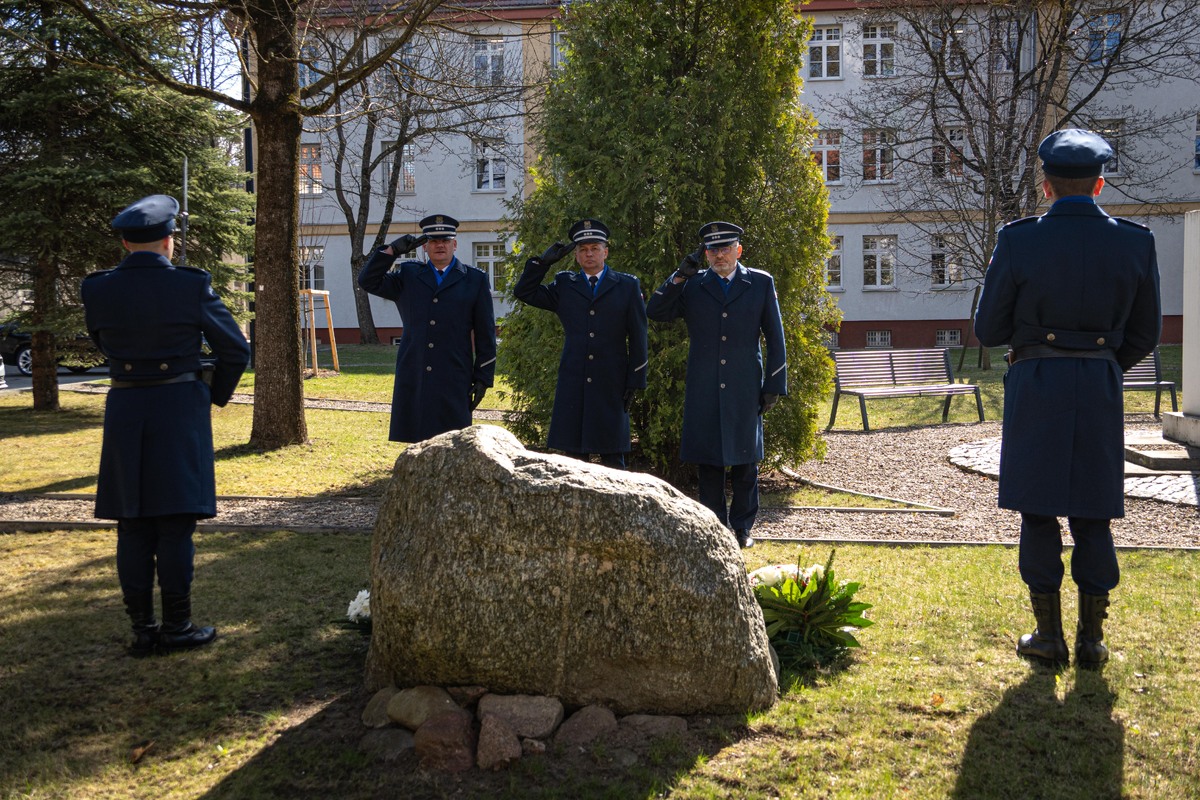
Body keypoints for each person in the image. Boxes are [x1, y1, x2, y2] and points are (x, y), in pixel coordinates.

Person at [975, 129, 1161, 669]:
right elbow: (1146, 333)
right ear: (1100, 185)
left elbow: (988, 330)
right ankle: (1092, 642)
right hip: (1099, 389)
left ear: (1046, 186)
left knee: (1038, 512)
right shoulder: (1136, 241)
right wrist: (1102, 365)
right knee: (1093, 513)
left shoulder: (1018, 239)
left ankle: (1047, 636)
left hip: (1037, 386)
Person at [81, 194, 250, 656]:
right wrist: (211, 394)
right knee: (175, 523)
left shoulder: (95, 288)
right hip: (178, 409)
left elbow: (102, 341)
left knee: (132, 524)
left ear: (123, 241)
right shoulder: (191, 286)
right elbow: (236, 350)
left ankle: (142, 629)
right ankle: (178, 626)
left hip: (126, 408)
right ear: (169, 240)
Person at [646, 221, 787, 548]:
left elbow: (776, 337)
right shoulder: (693, 285)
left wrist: (774, 384)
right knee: (709, 461)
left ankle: (742, 528)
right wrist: (679, 276)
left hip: (744, 385)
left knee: (745, 462)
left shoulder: (760, 283)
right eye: (712, 249)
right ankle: (715, 528)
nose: (719, 255)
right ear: (705, 253)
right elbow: (656, 311)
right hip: (705, 384)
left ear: (738, 250)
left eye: (726, 248)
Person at [513, 219, 649, 468]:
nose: (589, 254)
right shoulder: (565, 285)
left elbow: (639, 336)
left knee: (613, 456)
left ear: (605, 252)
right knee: (574, 459)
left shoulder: (627, 286)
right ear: (576, 255)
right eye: (583, 249)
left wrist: (636, 380)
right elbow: (524, 292)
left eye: (594, 248)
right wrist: (542, 265)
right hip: (574, 380)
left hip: (612, 380)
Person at [358, 214, 497, 443]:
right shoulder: (409, 275)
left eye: (445, 240)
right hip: (415, 373)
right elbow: (367, 281)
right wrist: (391, 251)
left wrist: (483, 377)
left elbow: (485, 334)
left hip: (454, 374)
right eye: (433, 241)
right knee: (416, 441)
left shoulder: (474, 279)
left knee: (453, 444)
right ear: (425, 247)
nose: (439, 245)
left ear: (455, 244)